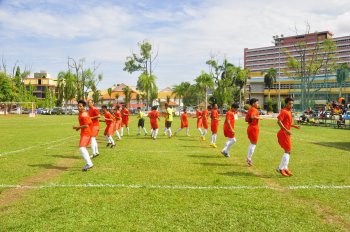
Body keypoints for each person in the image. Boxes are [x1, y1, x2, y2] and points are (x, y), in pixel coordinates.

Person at [276, 97, 301, 177]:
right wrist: (286, 130)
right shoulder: (284, 111)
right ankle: (280, 168)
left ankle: (285, 168)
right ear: (286, 104)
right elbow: (279, 121)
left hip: (286, 133)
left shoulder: (289, 111)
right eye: (290, 104)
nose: (291, 105)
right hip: (283, 133)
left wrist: (294, 126)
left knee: (288, 151)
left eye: (292, 104)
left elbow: (286, 123)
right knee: (287, 150)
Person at [73, 100, 93, 171]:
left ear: (84, 107)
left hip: (86, 133)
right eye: (78, 106)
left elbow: (86, 125)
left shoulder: (84, 114)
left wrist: (77, 127)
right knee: (83, 147)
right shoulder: (82, 113)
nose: (78, 107)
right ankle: (89, 163)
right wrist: (79, 128)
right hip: (85, 132)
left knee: (82, 148)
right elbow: (90, 121)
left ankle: (89, 163)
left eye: (80, 106)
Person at [245, 98, 263, 166]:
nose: (258, 104)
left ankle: (248, 158)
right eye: (257, 103)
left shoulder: (250, 109)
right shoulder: (254, 110)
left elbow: (246, 119)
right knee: (253, 144)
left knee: (252, 143)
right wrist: (259, 118)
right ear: (253, 104)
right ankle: (249, 159)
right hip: (254, 128)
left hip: (250, 127)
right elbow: (252, 116)